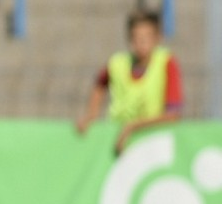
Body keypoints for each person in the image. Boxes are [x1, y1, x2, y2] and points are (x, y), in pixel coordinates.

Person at [75, 9, 183, 154]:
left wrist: (133, 126)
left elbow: (173, 115)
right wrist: (91, 114)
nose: (142, 43)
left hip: (152, 142)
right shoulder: (118, 63)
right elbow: (100, 83)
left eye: (147, 37)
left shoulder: (166, 63)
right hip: (115, 140)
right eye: (136, 37)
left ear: (157, 38)